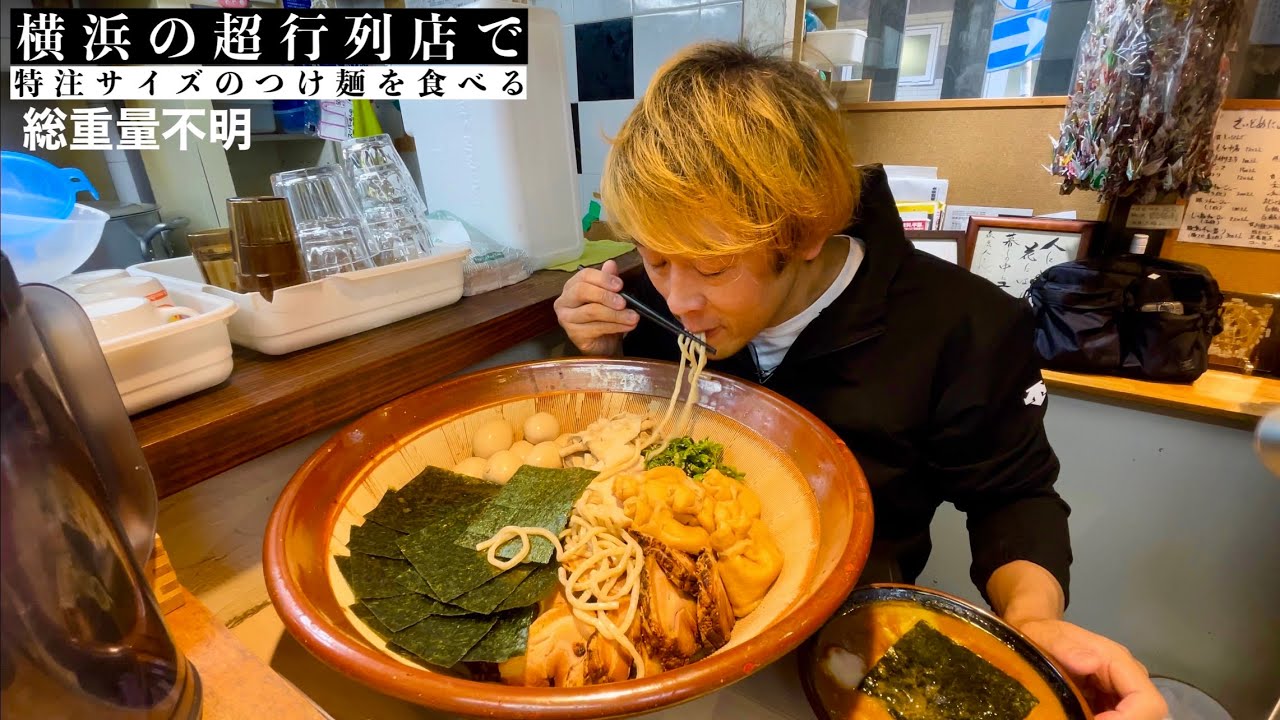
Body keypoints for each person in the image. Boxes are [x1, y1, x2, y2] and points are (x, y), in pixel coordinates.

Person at [554, 43, 1166, 720]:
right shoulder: (646, 306)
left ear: (807, 232)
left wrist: (1033, 618)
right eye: (657, 257)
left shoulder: (966, 324)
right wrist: (603, 348)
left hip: (847, 651)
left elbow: (1013, 497)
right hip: (658, 637)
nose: (677, 300)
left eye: (714, 268)